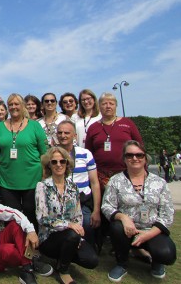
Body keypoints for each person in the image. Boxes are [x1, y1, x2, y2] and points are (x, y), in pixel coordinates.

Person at [102, 140, 177, 282]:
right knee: (116, 227)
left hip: (152, 229)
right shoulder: (115, 181)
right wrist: (123, 217)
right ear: (124, 159)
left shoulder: (159, 182)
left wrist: (149, 234)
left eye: (139, 155)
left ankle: (157, 261)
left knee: (167, 254)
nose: (134, 158)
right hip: (127, 229)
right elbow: (107, 206)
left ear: (145, 158)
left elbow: (167, 213)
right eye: (129, 155)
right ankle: (122, 263)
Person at [35, 147, 98, 284]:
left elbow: (78, 215)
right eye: (54, 162)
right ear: (49, 165)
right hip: (49, 237)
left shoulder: (73, 187)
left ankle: (65, 254)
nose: (59, 165)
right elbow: (42, 218)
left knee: (91, 260)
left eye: (62, 161)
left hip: (71, 236)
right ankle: (63, 271)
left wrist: (77, 236)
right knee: (71, 235)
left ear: (67, 164)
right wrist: (68, 226)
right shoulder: (42, 186)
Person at [0, 93, 48, 230]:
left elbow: (44, 153)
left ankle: (32, 246)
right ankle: (15, 246)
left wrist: (45, 175)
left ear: (22, 106)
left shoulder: (35, 126)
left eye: (17, 104)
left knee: (31, 213)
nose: (14, 107)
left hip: (32, 179)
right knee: (11, 216)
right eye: (11, 104)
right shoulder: (0, 127)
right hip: (7, 180)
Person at [85, 92, 143, 191]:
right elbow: (88, 152)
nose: (108, 106)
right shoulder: (93, 127)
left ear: (116, 106)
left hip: (126, 172)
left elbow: (140, 146)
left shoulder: (127, 123)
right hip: (101, 175)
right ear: (99, 106)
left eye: (111, 103)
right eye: (104, 104)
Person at [56, 120, 101, 248]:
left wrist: (96, 210)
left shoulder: (85, 154)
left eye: (67, 133)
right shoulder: (51, 155)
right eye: (60, 132)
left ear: (75, 136)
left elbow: (94, 183)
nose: (63, 135)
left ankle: (89, 247)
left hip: (82, 203)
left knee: (87, 223)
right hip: (59, 203)